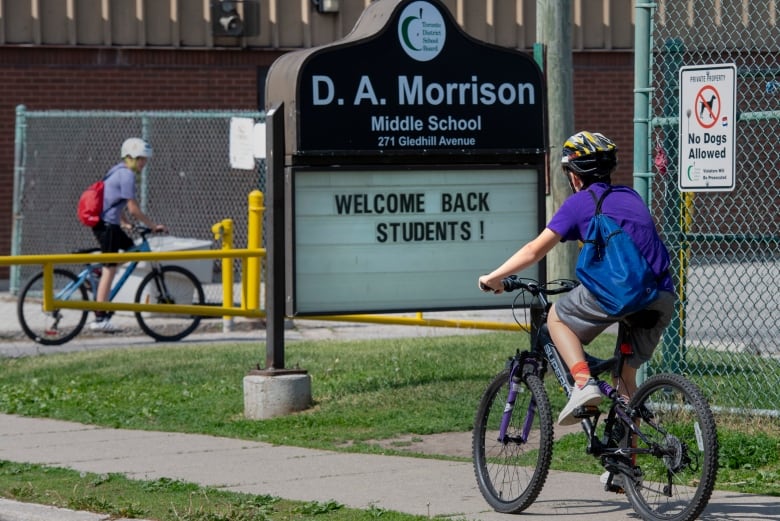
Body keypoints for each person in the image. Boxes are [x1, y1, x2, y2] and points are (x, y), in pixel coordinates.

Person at [478, 131, 674, 426]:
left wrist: (493, 277)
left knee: (556, 317)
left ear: (575, 176)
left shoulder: (580, 203)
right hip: (662, 295)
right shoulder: (630, 196)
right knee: (625, 383)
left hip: (623, 293)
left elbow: (534, 250)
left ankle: (583, 383)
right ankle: (626, 467)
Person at [90, 137, 167, 331]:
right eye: (142, 159)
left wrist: (124, 223)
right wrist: (152, 225)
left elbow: (114, 202)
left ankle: (99, 272)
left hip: (110, 224)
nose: (144, 164)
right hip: (107, 226)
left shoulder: (116, 170)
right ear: (132, 157)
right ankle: (99, 319)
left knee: (131, 251)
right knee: (111, 268)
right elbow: (133, 208)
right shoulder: (127, 175)